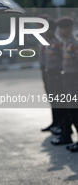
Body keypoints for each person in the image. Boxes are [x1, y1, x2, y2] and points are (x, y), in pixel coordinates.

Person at [52, 16, 78, 150]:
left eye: (63, 28)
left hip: (74, 80)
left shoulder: (74, 43)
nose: (60, 31)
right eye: (59, 28)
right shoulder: (67, 43)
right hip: (68, 80)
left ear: (69, 28)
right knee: (71, 110)